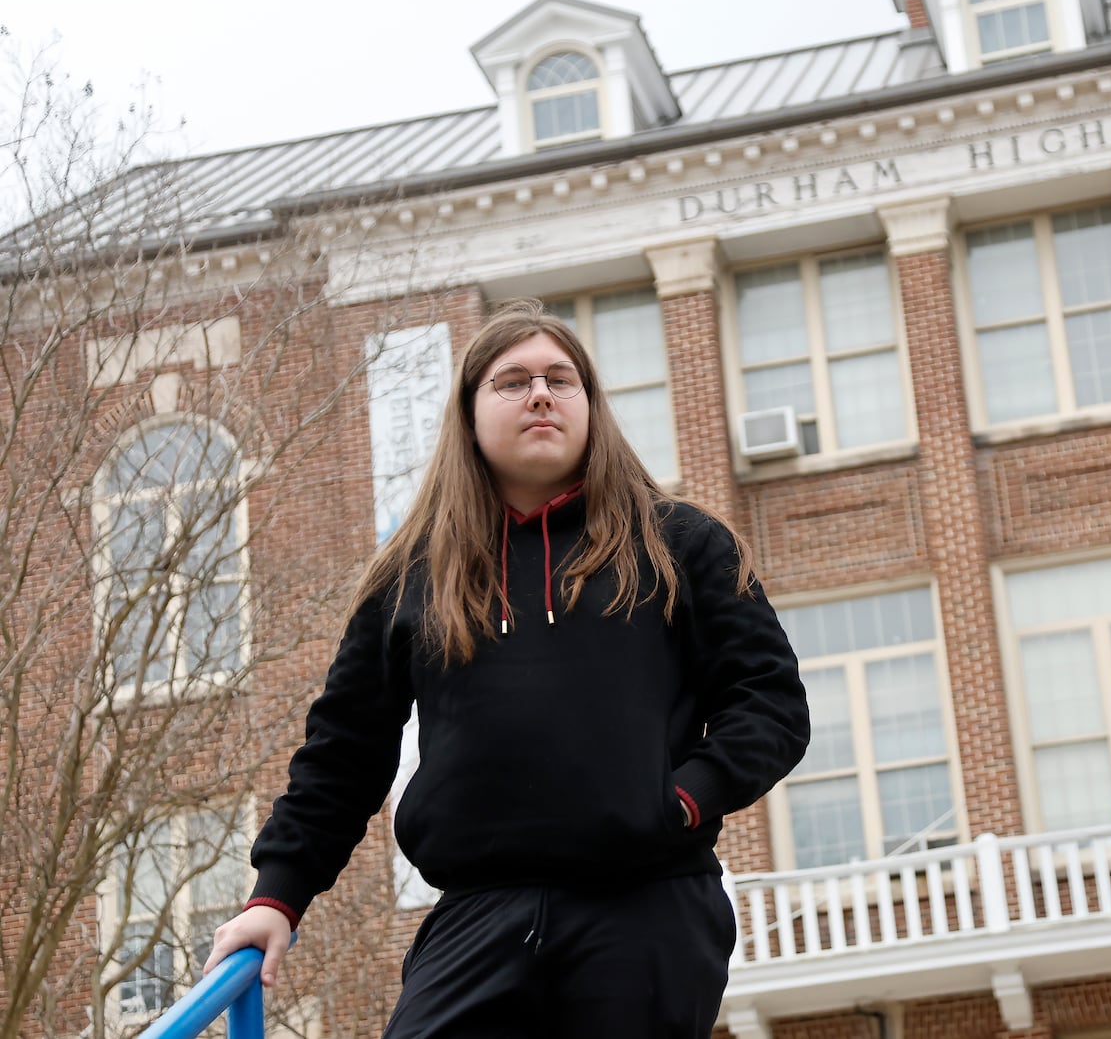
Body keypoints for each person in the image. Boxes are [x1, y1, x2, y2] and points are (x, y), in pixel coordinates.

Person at [204, 299, 810, 1038]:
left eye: (562, 378)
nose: (541, 393)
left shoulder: (681, 544)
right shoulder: (411, 574)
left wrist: (682, 798)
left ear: (590, 405)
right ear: (469, 413)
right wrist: (276, 896)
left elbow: (771, 704)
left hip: (645, 902)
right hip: (477, 910)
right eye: (513, 380)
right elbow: (343, 753)